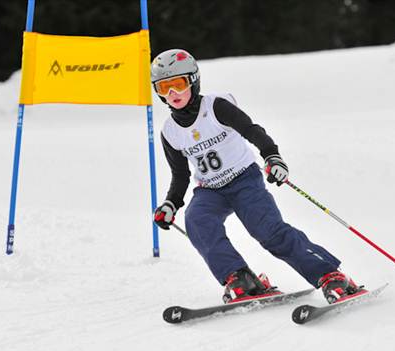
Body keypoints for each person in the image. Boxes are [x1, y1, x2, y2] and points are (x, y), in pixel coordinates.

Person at [151, 49, 362, 304]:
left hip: (243, 180)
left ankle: (331, 275)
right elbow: (180, 174)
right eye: (164, 88)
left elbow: (252, 131)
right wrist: (171, 203)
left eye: (178, 84)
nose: (172, 94)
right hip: (210, 189)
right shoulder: (170, 132)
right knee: (197, 219)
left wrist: (272, 156)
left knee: (267, 231)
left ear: (194, 81)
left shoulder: (216, 107)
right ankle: (239, 278)